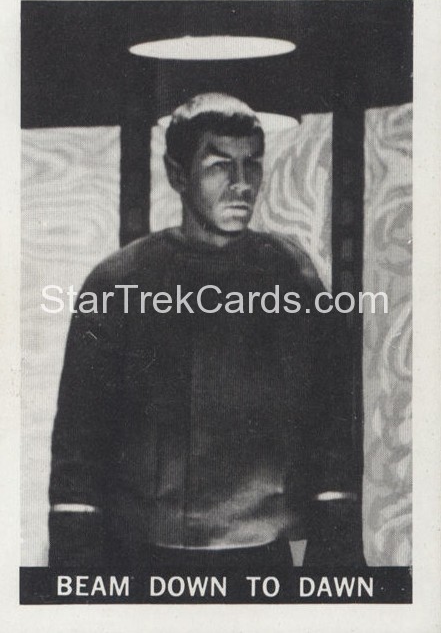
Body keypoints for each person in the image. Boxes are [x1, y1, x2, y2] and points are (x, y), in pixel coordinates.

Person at [48, 92, 364, 571]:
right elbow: (80, 440)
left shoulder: (291, 275)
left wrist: (337, 553)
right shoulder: (118, 282)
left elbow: (331, 421)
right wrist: (75, 568)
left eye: (252, 164)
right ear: (178, 175)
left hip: (263, 555)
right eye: (219, 166)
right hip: (142, 554)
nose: (241, 184)